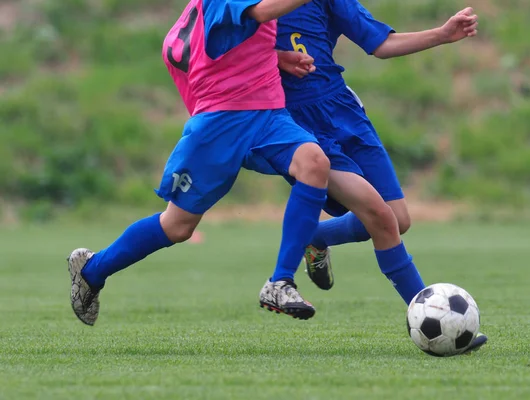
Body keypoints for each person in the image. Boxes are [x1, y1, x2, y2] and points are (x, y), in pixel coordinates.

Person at [67, 0, 332, 326]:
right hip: (220, 121)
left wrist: (274, 58)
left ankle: (281, 281)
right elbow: (258, 13)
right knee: (177, 226)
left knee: (314, 163)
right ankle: (93, 270)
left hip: (269, 113)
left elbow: (217, 40)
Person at [270, 2, 487, 351]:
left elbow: (380, 43)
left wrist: (443, 35)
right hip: (297, 124)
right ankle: (430, 315)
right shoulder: (252, 7)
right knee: (380, 217)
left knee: (398, 219)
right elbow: (224, 52)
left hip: (343, 109)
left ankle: (314, 236)